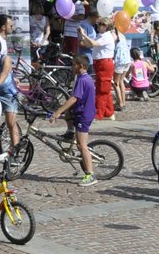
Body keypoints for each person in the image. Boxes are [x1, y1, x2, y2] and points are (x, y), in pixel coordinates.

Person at [49, 55, 99, 186]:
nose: (72, 67)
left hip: (84, 115)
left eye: (73, 65)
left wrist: (58, 111)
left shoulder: (83, 80)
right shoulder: (84, 78)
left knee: (82, 146)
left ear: (80, 66)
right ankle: (70, 131)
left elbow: (73, 98)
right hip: (82, 113)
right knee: (78, 142)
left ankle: (90, 175)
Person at [88, 17, 118, 120]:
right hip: (100, 62)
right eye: (98, 24)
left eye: (101, 24)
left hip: (104, 63)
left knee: (102, 89)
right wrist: (81, 36)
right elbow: (89, 43)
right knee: (104, 89)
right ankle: (109, 112)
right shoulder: (101, 35)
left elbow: (93, 43)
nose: (98, 26)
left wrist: (83, 35)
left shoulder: (106, 36)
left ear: (106, 26)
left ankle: (98, 113)